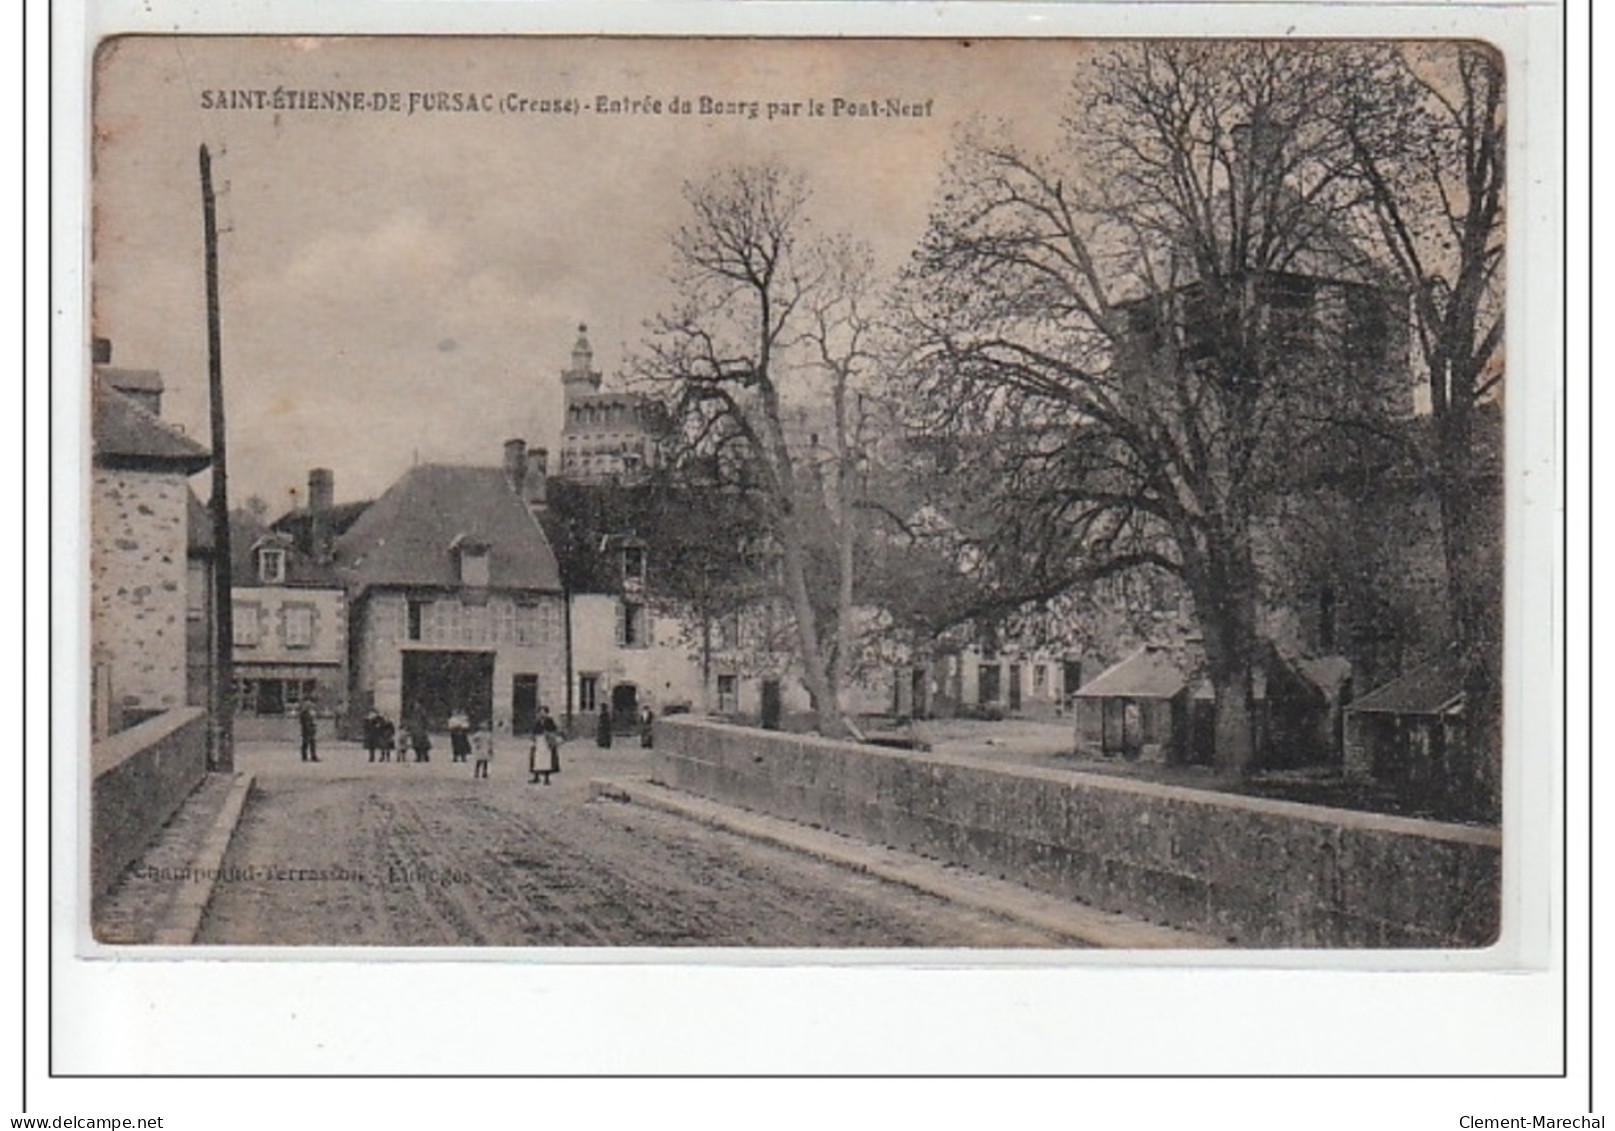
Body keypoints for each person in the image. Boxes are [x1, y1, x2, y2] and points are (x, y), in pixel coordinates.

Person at [531, 706, 561, 785]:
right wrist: (534, 739)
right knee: (537, 760)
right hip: (539, 741)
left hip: (547, 742)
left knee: (547, 760)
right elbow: (534, 731)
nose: (542, 713)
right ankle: (536, 777)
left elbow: (554, 730)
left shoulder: (549, 721)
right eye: (540, 712)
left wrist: (549, 735)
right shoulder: (537, 721)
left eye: (543, 712)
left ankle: (546, 779)